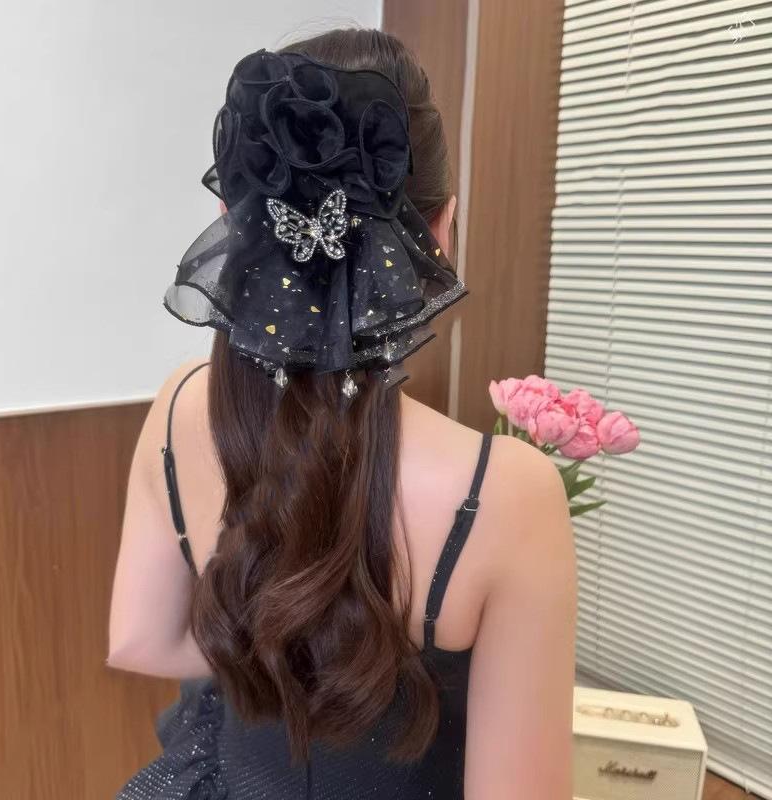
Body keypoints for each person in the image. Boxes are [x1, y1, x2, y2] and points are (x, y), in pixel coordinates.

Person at [108, 28, 576, 800]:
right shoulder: (507, 492)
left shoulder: (178, 405)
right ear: (441, 230)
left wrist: (274, 657)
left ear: (234, 221)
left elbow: (138, 640)